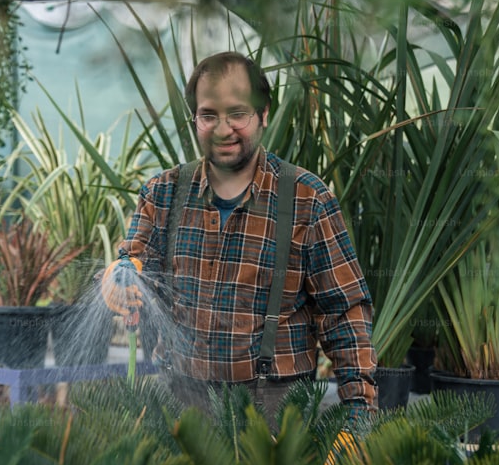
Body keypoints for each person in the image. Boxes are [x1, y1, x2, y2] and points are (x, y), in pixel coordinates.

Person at [102, 51, 376, 427]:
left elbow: (344, 315)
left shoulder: (307, 199)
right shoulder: (163, 193)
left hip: (275, 409)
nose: (222, 128)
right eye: (209, 115)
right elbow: (133, 261)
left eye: (238, 114)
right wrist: (119, 276)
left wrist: (358, 416)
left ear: (263, 115)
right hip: (183, 405)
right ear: (194, 120)